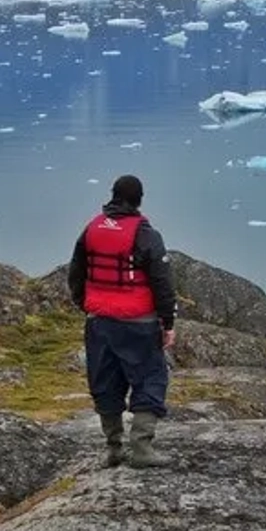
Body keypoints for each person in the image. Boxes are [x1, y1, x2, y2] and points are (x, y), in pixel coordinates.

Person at [67, 174, 177, 468]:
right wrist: (168, 323)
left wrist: (87, 304)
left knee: (105, 381)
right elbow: (162, 282)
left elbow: (76, 272)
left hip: (99, 321)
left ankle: (113, 447)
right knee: (150, 377)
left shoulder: (92, 229)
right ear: (139, 200)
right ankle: (141, 447)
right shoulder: (146, 235)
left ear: (113, 196)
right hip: (138, 322)